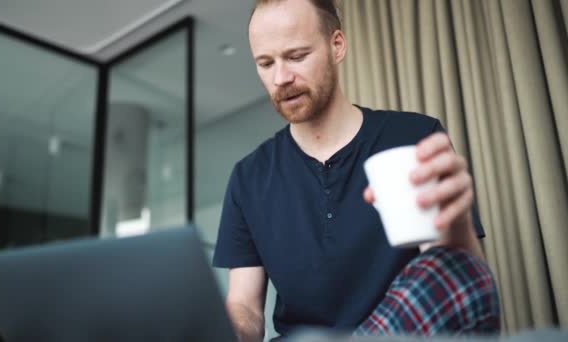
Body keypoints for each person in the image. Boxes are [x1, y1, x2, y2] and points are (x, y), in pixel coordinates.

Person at [212, 0, 500, 341]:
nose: (281, 78)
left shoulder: (413, 139)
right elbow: (245, 306)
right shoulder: (248, 178)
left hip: (398, 335)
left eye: (297, 56)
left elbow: (450, 286)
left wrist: (456, 225)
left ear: (337, 45)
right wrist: (218, 329)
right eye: (265, 63)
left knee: (429, 274)